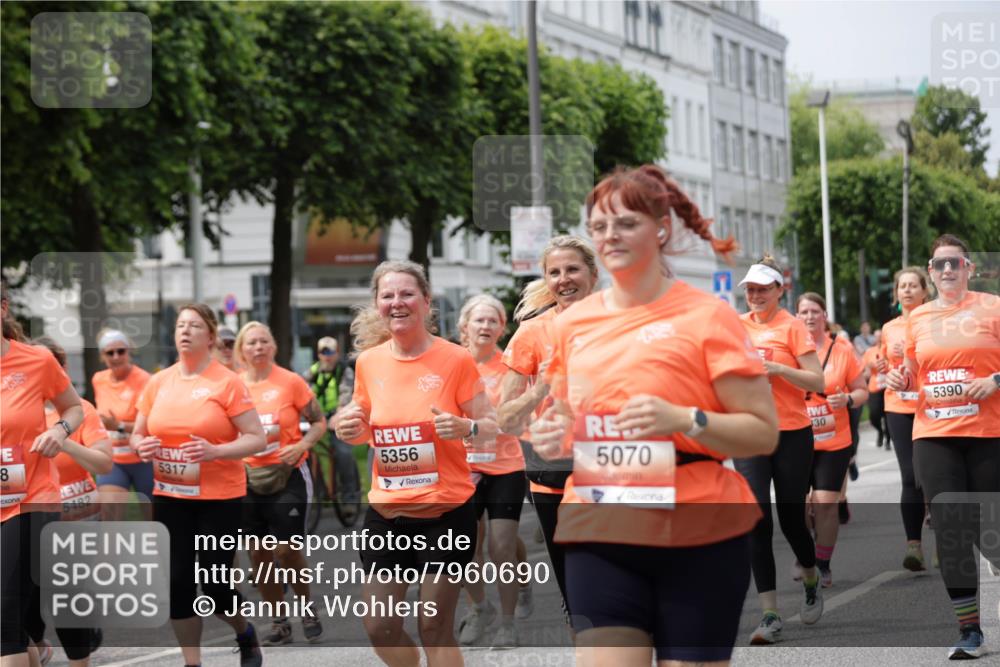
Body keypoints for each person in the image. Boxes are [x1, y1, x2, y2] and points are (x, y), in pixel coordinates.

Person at [529, 164, 779, 665]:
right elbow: (565, 419)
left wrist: (686, 420)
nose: (609, 235)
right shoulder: (572, 325)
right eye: (599, 226)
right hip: (599, 526)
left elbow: (762, 433)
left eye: (625, 223)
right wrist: (555, 434)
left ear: (661, 228)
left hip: (698, 531)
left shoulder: (707, 315)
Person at [334, 260, 498, 667]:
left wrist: (465, 426)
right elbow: (362, 423)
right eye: (387, 295)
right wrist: (347, 428)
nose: (397, 302)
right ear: (377, 304)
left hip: (445, 515)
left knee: (434, 626)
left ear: (426, 301)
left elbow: (491, 426)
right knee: (380, 627)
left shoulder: (455, 359)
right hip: (387, 515)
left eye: (407, 294)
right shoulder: (369, 362)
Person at [131, 304, 267, 667]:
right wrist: (141, 446)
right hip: (170, 495)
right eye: (180, 325)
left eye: (194, 326)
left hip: (219, 498)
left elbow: (256, 438)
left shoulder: (227, 382)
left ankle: (244, 632)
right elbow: (137, 434)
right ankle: (192, 663)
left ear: (210, 336)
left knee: (216, 586)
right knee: (178, 584)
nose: (185, 331)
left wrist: (216, 451)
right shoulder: (158, 382)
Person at [885, 234, 1000, 659]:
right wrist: (901, 378)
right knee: (951, 529)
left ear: (969, 268)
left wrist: (995, 380)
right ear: (931, 273)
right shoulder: (918, 318)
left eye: (955, 263)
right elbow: (911, 370)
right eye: (939, 264)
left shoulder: (992, 307)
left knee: (989, 528)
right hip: (933, 434)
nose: (947, 269)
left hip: (988, 433)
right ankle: (970, 631)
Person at [497, 235, 600, 625]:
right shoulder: (532, 333)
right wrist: (540, 388)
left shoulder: (621, 323)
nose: (564, 279)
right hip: (553, 471)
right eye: (554, 272)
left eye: (573, 269)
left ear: (592, 274)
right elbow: (505, 417)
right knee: (577, 595)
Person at [735, 254, 826, 644]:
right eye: (750, 290)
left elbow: (817, 380)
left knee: (791, 521)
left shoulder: (792, 327)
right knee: (756, 519)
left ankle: (810, 574)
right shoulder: (735, 326)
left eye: (762, 289)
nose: (755, 296)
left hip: (791, 433)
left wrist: (778, 370)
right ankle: (770, 614)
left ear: (779, 290)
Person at [1, 281, 85, 667]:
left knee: (5, 617)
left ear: (3, 308)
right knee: (15, 624)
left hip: (31, 499)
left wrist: (59, 431)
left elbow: (73, 408)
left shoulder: (36, 361)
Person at [236, 321, 328, 646]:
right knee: (259, 554)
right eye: (251, 343)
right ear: (242, 351)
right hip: (247, 477)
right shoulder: (233, 386)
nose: (258, 347)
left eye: (264, 341)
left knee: (287, 550)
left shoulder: (290, 382)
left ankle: (307, 607)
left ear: (273, 346)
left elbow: (319, 421)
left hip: (288, 473)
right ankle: (279, 620)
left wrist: (303, 445)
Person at [27, 336, 112, 667]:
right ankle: (39, 643)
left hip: (78, 515)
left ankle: (81, 633)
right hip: (32, 514)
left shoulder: (81, 410)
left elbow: (104, 463)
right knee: (27, 603)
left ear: (60, 370)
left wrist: (63, 440)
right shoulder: (17, 409)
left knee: (64, 597)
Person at [454, 295, 528, 649]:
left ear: (502, 328)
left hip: (505, 466)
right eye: (478, 320)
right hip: (462, 468)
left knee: (501, 546)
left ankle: (508, 624)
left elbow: (520, 416)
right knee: (467, 546)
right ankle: (479, 608)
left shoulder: (510, 367)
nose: (485, 326)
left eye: (492, 321)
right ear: (464, 326)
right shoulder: (452, 363)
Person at [795, 293, 868, 588]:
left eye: (815, 311)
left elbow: (862, 389)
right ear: (796, 316)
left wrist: (848, 399)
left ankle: (822, 564)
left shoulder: (842, 349)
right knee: (798, 507)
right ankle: (805, 553)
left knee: (825, 504)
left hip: (834, 441)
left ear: (825, 316)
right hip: (796, 439)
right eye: (803, 312)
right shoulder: (787, 349)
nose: (809, 317)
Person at [878, 266, 932, 571]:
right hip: (898, 406)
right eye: (902, 286)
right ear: (896, 293)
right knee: (910, 477)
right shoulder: (889, 328)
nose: (907, 290)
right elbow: (885, 364)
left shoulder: (935, 322)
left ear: (925, 291)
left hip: (932, 406)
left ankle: (946, 541)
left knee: (933, 476)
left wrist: (914, 350)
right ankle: (914, 546)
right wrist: (886, 364)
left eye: (913, 285)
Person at [91, 328, 153, 517]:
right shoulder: (98, 380)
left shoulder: (145, 380)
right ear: (102, 356)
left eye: (121, 351)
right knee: (110, 515)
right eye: (110, 353)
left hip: (144, 459)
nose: (116, 357)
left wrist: (118, 426)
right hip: (114, 460)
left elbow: (151, 425)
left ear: (129, 351)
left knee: (155, 519)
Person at [305, 337, 361, 519]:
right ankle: (319, 493)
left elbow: (347, 394)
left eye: (330, 351)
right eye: (323, 352)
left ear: (337, 353)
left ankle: (350, 498)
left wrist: (338, 416)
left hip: (338, 416)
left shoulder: (344, 371)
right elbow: (302, 393)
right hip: (316, 419)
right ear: (318, 354)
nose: (327, 356)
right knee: (304, 454)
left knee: (343, 453)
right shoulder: (312, 372)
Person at [861, 329, 889, 449]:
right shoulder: (869, 351)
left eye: (880, 336)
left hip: (888, 386)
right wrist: (869, 367)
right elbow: (865, 370)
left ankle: (888, 440)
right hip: (874, 387)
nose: (878, 338)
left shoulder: (888, 349)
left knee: (887, 415)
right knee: (874, 415)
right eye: (876, 336)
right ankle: (880, 431)